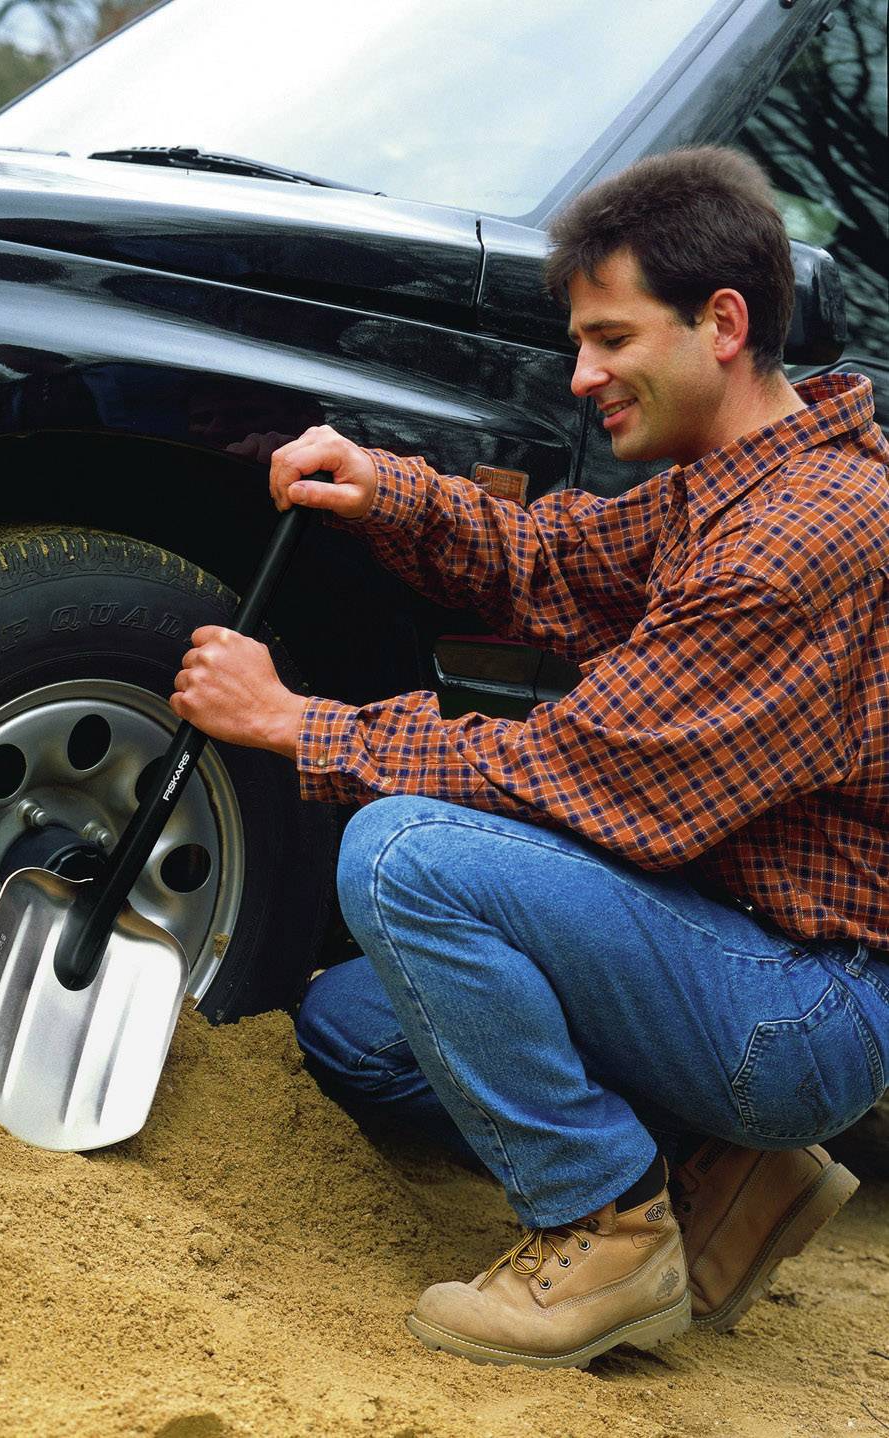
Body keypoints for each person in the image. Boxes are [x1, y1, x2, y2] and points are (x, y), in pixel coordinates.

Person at [168, 147, 889, 1369]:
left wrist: (301, 724)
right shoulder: (727, 481)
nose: (580, 376)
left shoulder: (800, 539)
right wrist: (384, 488)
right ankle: (725, 1170)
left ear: (722, 323)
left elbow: (589, 771)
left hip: (803, 1001)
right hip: (726, 948)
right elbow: (548, 565)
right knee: (354, 1025)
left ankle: (606, 1228)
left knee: (403, 858)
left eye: (610, 338)